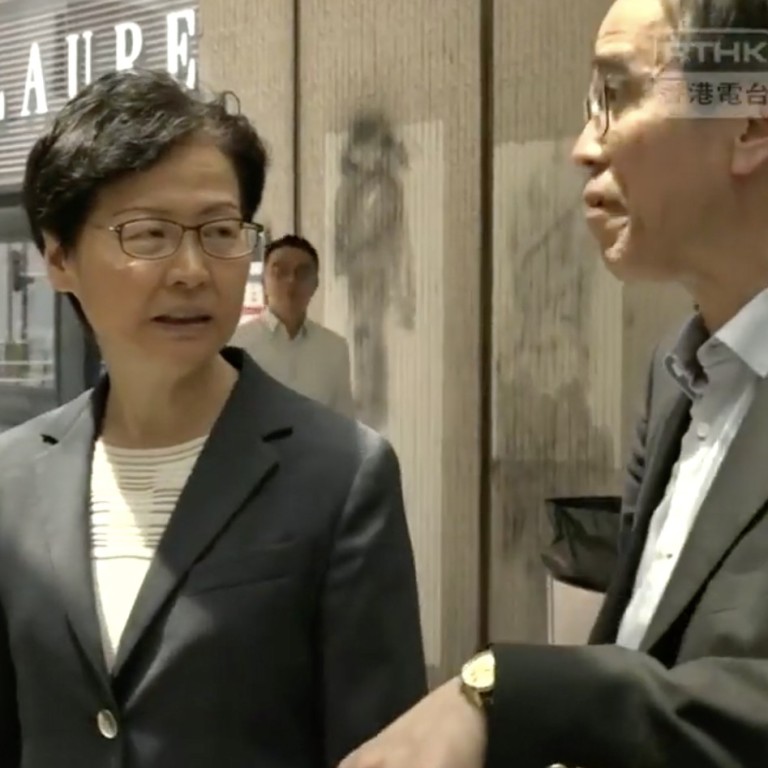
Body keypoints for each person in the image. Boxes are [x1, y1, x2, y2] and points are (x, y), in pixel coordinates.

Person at [340, 1, 768, 767]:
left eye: (616, 95)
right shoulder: (677, 379)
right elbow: (648, 662)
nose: (583, 148)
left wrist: (509, 690)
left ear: (749, 122)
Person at [0, 69, 427, 768]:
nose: (194, 269)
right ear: (59, 256)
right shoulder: (12, 477)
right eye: (149, 234)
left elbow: (380, 749)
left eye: (221, 231)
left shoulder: (342, 474)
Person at [232, 235, 356, 418]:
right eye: (280, 271)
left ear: (315, 285)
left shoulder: (334, 348)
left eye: (302, 272)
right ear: (263, 282)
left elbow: (344, 421)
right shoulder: (235, 345)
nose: (291, 280)